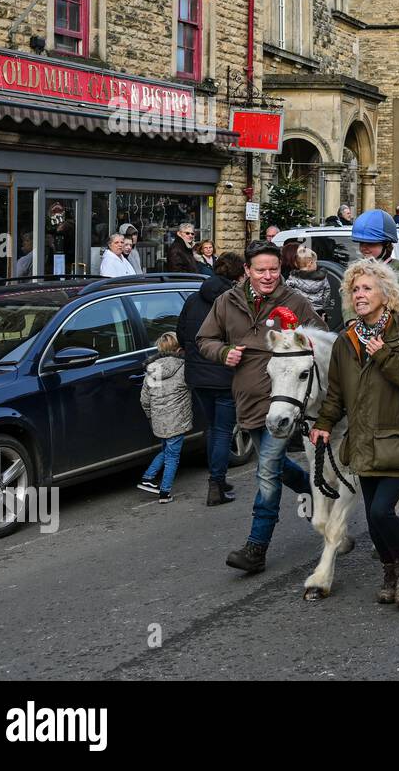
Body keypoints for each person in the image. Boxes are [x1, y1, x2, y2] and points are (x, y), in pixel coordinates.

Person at [310, 258, 399, 609]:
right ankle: (389, 572)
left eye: (366, 287)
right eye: (355, 289)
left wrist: (385, 357)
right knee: (371, 517)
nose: (359, 294)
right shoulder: (345, 341)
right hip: (363, 442)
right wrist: (323, 424)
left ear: (386, 293)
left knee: (382, 512)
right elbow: (336, 393)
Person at [197, 239, 325, 574]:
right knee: (279, 466)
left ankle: (256, 548)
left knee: (266, 470)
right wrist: (224, 353)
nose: (268, 276)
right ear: (247, 271)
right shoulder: (228, 301)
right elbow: (204, 339)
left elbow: (322, 338)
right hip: (248, 402)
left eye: (274, 269)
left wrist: (300, 345)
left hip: (284, 402)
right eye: (261, 270)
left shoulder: (294, 300)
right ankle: (315, 492)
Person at [178, 251, 245, 506]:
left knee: (212, 429)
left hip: (197, 375)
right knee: (222, 431)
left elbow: (182, 332)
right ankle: (216, 483)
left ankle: (218, 479)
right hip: (223, 374)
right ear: (238, 275)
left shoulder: (193, 299)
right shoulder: (234, 301)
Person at [137, 332, 193, 504]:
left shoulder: (153, 369)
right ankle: (165, 492)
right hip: (177, 419)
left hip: (159, 420)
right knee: (172, 456)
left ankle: (147, 478)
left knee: (166, 451)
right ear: (179, 348)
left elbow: (144, 399)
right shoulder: (184, 368)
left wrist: (151, 416)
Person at [350, 210, 399, 302]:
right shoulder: (356, 269)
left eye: (371, 244)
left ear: (386, 245)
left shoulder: (398, 267)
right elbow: (348, 302)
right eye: (361, 243)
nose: (364, 248)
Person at [285, 245, 343, 327]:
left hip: (300, 311)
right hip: (318, 312)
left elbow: (287, 292)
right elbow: (327, 293)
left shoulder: (293, 278)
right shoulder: (322, 278)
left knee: (301, 334)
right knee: (319, 333)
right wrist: (323, 305)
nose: (316, 264)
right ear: (310, 263)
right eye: (315, 262)